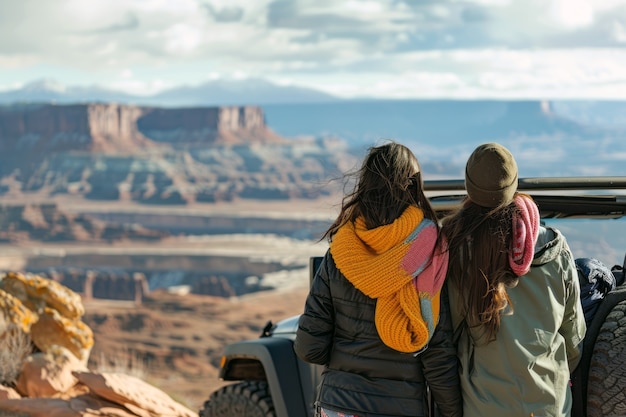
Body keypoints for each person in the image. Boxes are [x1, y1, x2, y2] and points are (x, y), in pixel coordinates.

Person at [294, 141, 462, 417]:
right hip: (400, 406)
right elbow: (436, 352)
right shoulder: (427, 253)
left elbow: (309, 348)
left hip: (339, 405)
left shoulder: (341, 253)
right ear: (413, 186)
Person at [443, 142, 586, 417]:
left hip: (483, 406)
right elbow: (573, 338)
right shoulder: (555, 249)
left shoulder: (459, 252)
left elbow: (449, 335)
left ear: (470, 188)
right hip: (550, 406)